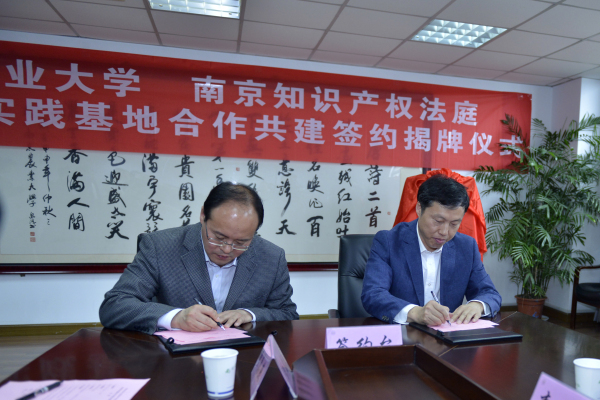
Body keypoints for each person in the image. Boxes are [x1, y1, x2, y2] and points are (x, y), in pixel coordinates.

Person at [99, 182, 299, 334]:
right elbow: (114, 306)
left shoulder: (271, 257)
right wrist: (176, 317)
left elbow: (287, 313)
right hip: (175, 362)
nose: (227, 249)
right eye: (218, 237)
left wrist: (250, 314)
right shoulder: (160, 246)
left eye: (241, 242)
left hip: (243, 361)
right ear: (203, 215)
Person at [361, 174, 501, 326]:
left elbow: (490, 293)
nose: (444, 232)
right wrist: (414, 312)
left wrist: (477, 305)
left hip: (447, 336)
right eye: (438, 221)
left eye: (454, 224)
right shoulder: (389, 242)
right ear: (419, 208)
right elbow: (373, 294)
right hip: (403, 335)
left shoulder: (466, 247)